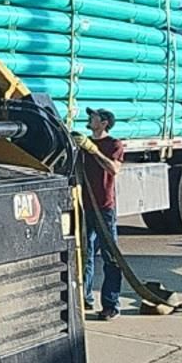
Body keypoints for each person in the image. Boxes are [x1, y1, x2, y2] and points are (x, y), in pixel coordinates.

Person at [81, 107, 126, 320]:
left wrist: (93, 150)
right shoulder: (83, 145)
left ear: (105, 122)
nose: (90, 118)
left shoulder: (114, 145)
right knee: (84, 255)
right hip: (84, 207)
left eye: (94, 116)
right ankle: (84, 298)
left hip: (104, 208)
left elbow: (114, 169)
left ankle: (111, 304)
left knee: (111, 257)